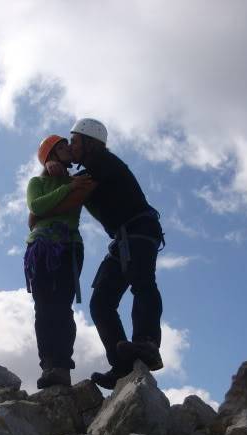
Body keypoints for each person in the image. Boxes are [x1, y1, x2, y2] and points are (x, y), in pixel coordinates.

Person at [67, 118, 165, 389]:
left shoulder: (101, 163)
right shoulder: (94, 166)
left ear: (89, 142)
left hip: (139, 229)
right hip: (125, 236)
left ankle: (147, 345)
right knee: (101, 302)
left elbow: (69, 189)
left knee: (142, 283)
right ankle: (121, 365)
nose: (71, 145)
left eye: (74, 140)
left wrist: (53, 166)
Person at [25, 135, 97, 388]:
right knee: (44, 308)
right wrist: (66, 187)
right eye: (62, 147)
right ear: (50, 156)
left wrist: (66, 186)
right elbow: (36, 204)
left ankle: (62, 367)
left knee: (61, 306)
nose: (68, 149)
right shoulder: (38, 182)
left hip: (68, 246)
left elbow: (39, 212)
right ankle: (49, 365)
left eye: (68, 145)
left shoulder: (79, 180)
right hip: (42, 247)